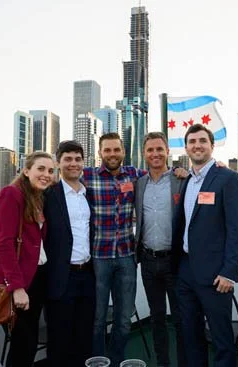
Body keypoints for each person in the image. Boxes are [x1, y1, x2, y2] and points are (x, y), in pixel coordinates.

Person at [171, 124, 238, 367]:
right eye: (192, 142)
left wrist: (229, 272)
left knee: (222, 339)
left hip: (216, 275)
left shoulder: (228, 179)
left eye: (202, 141)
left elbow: (237, 230)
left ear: (212, 146)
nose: (197, 145)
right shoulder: (188, 181)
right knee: (191, 336)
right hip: (185, 271)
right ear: (186, 148)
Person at [82, 132, 146, 367]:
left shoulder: (135, 174)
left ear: (123, 151)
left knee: (124, 318)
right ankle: (99, 361)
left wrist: (182, 171)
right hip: (99, 258)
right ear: (100, 153)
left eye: (116, 150)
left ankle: (116, 358)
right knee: (98, 318)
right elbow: (60, 184)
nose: (112, 154)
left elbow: (163, 177)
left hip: (127, 257)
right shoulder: (86, 176)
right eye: (107, 150)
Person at [0, 151, 55, 367]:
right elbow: (5, 244)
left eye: (51, 171)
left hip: (38, 277)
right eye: (41, 169)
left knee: (29, 339)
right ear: (26, 171)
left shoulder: (37, 197)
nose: (46, 175)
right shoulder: (11, 194)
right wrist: (16, 287)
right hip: (20, 282)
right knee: (22, 343)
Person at [134, 132, 187, 367]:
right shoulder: (139, 183)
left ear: (167, 151)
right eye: (150, 150)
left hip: (174, 261)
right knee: (156, 319)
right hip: (147, 261)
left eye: (159, 149)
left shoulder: (181, 180)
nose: (155, 154)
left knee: (180, 319)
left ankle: (185, 362)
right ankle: (163, 363)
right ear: (144, 154)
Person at [43, 140, 96, 367]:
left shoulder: (89, 194)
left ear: (83, 162)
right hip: (60, 276)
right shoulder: (48, 194)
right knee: (59, 339)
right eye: (68, 159)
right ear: (58, 162)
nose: (73, 164)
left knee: (84, 337)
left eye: (77, 159)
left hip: (88, 275)